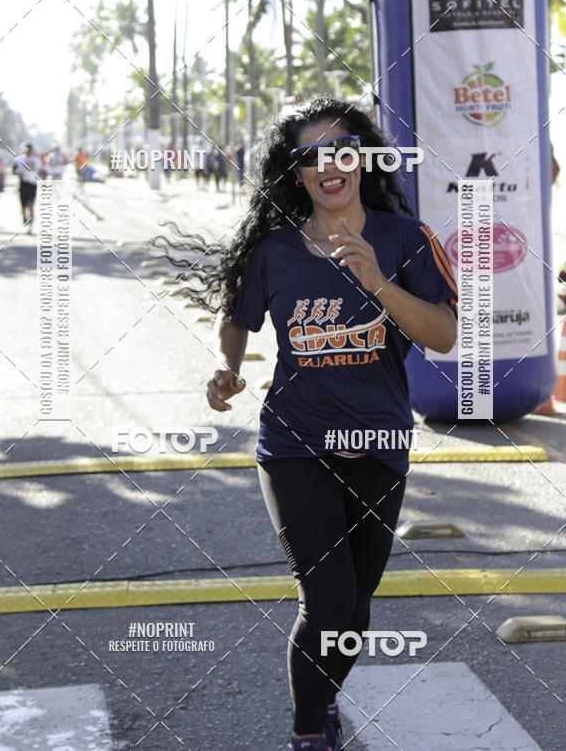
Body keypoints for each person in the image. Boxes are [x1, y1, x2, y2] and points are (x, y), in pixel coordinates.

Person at [153, 96, 458, 750]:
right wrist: (227, 365)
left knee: (356, 608)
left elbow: (444, 335)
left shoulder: (406, 240)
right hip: (295, 442)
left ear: (362, 160)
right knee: (325, 600)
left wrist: (378, 281)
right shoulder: (273, 252)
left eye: (341, 150)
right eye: (310, 156)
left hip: (379, 441)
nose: (328, 165)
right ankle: (306, 735)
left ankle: (324, 706)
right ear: (295, 174)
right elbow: (235, 317)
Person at [13, 142, 44, 233]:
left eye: (29, 150)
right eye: (26, 150)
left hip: (32, 184)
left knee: (31, 205)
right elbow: (13, 171)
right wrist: (19, 173)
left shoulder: (36, 160)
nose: (28, 152)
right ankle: (24, 217)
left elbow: (41, 170)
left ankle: (30, 227)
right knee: (23, 206)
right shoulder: (19, 159)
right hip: (23, 184)